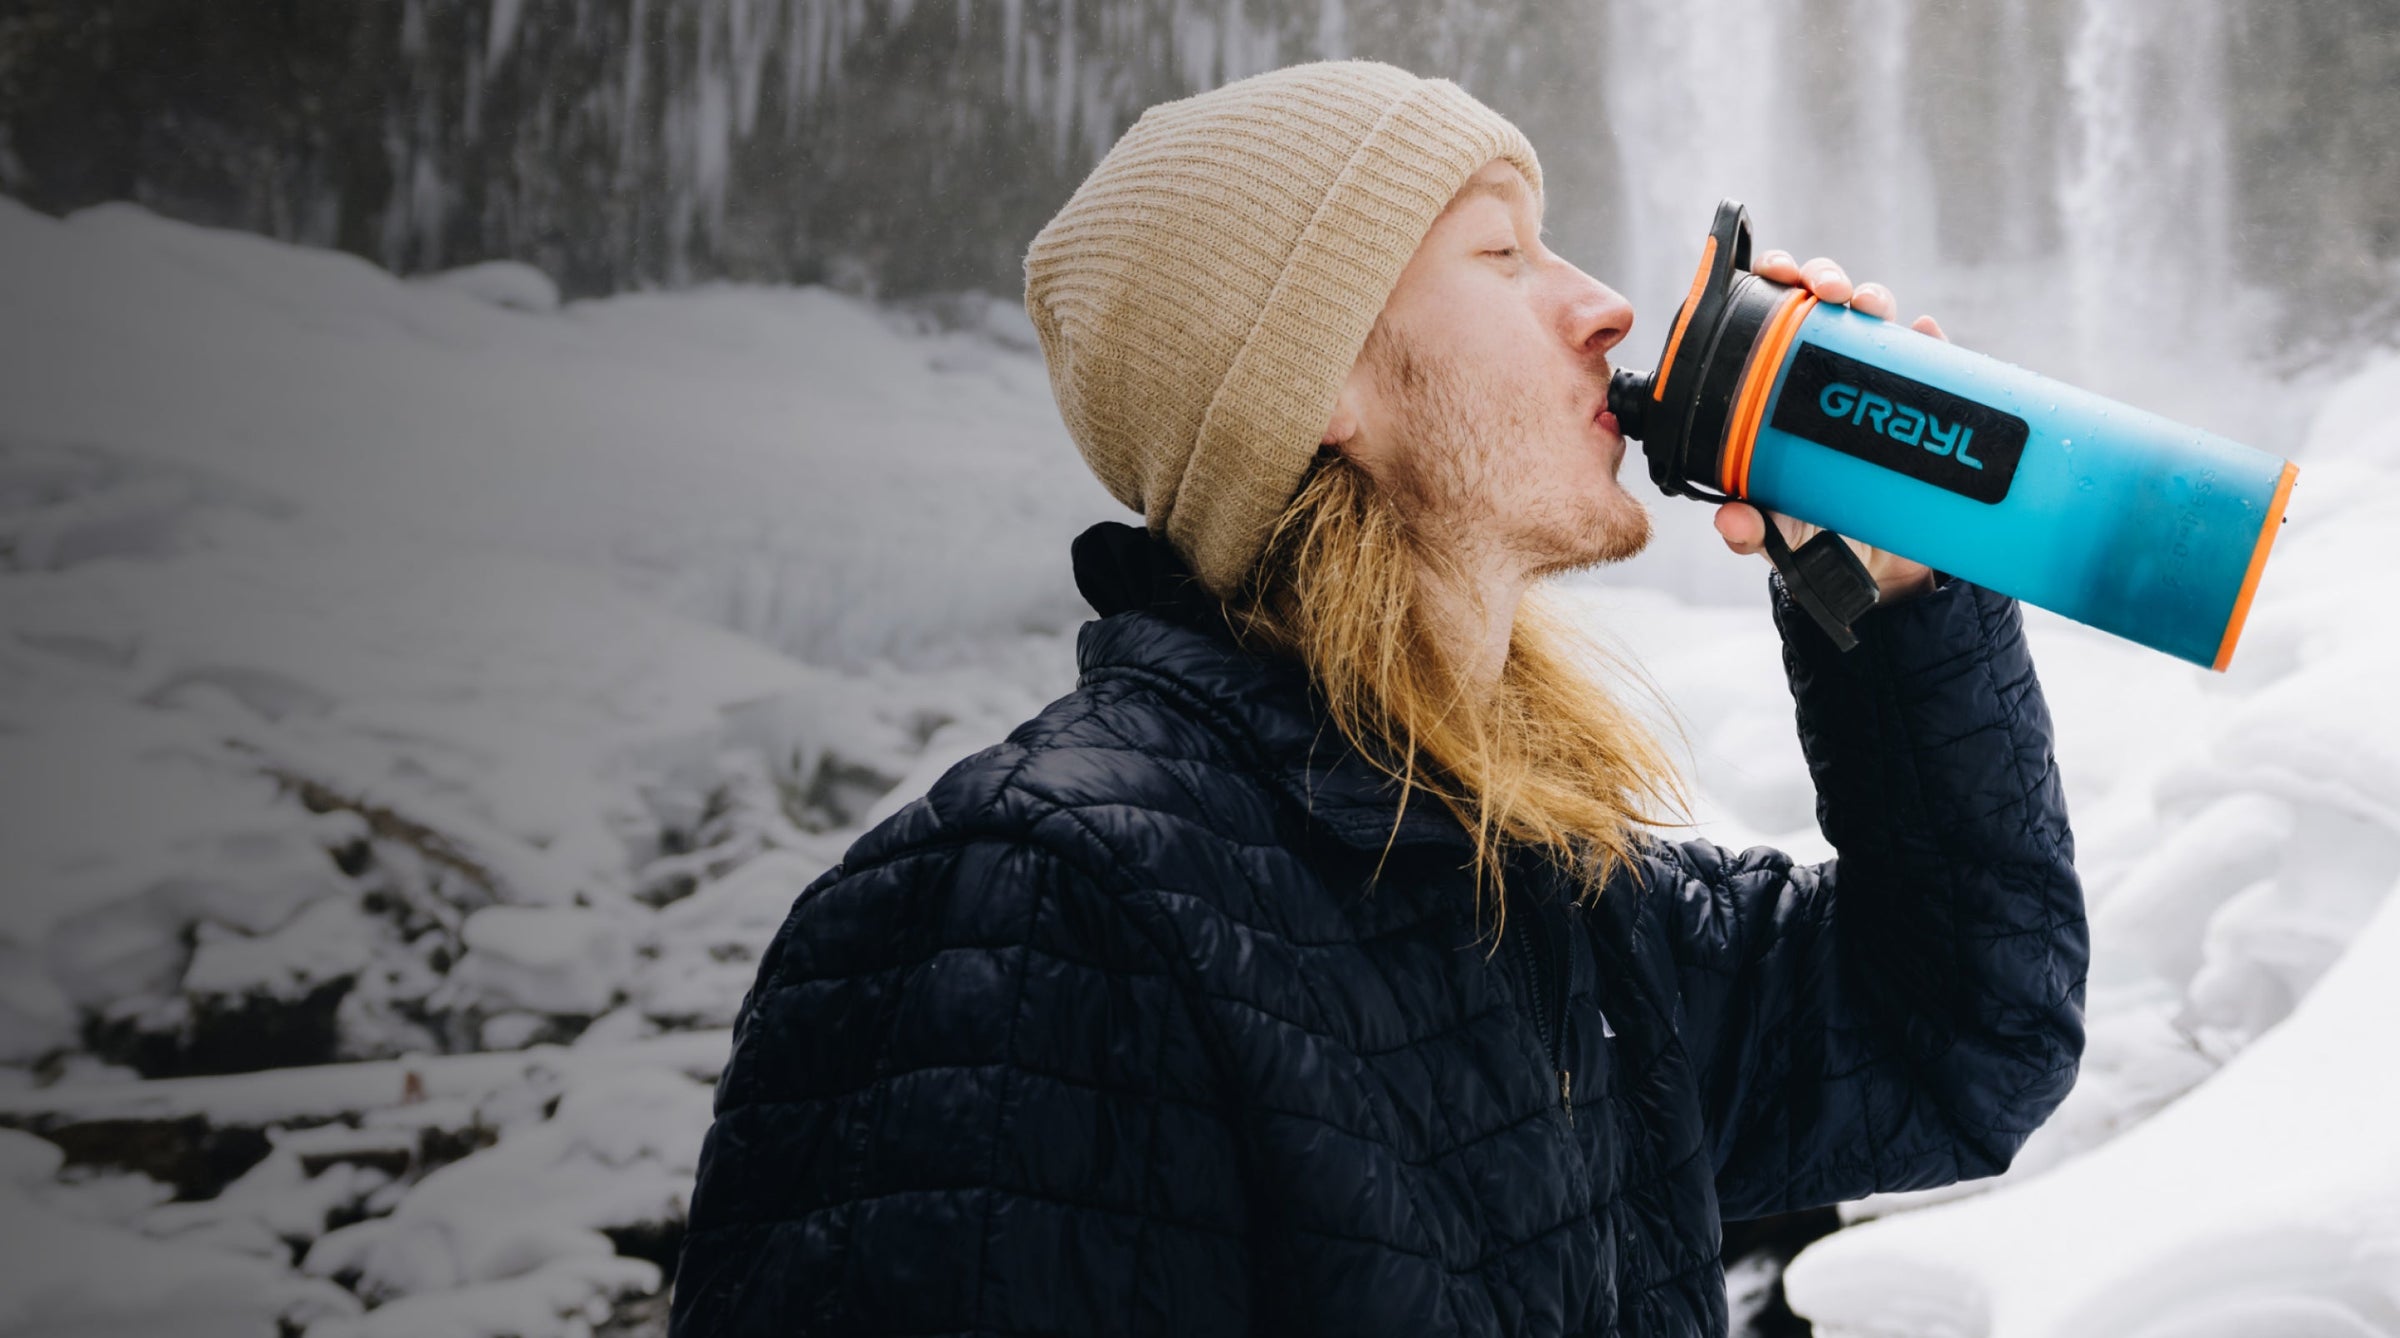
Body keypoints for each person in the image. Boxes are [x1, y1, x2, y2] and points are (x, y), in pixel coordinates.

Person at [668, 59, 2086, 1338]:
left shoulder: (1541, 886)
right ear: (1322, 375)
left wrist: (1898, 598)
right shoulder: (1026, 903)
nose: (1603, 306)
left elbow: (1958, 1035)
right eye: (1502, 253)